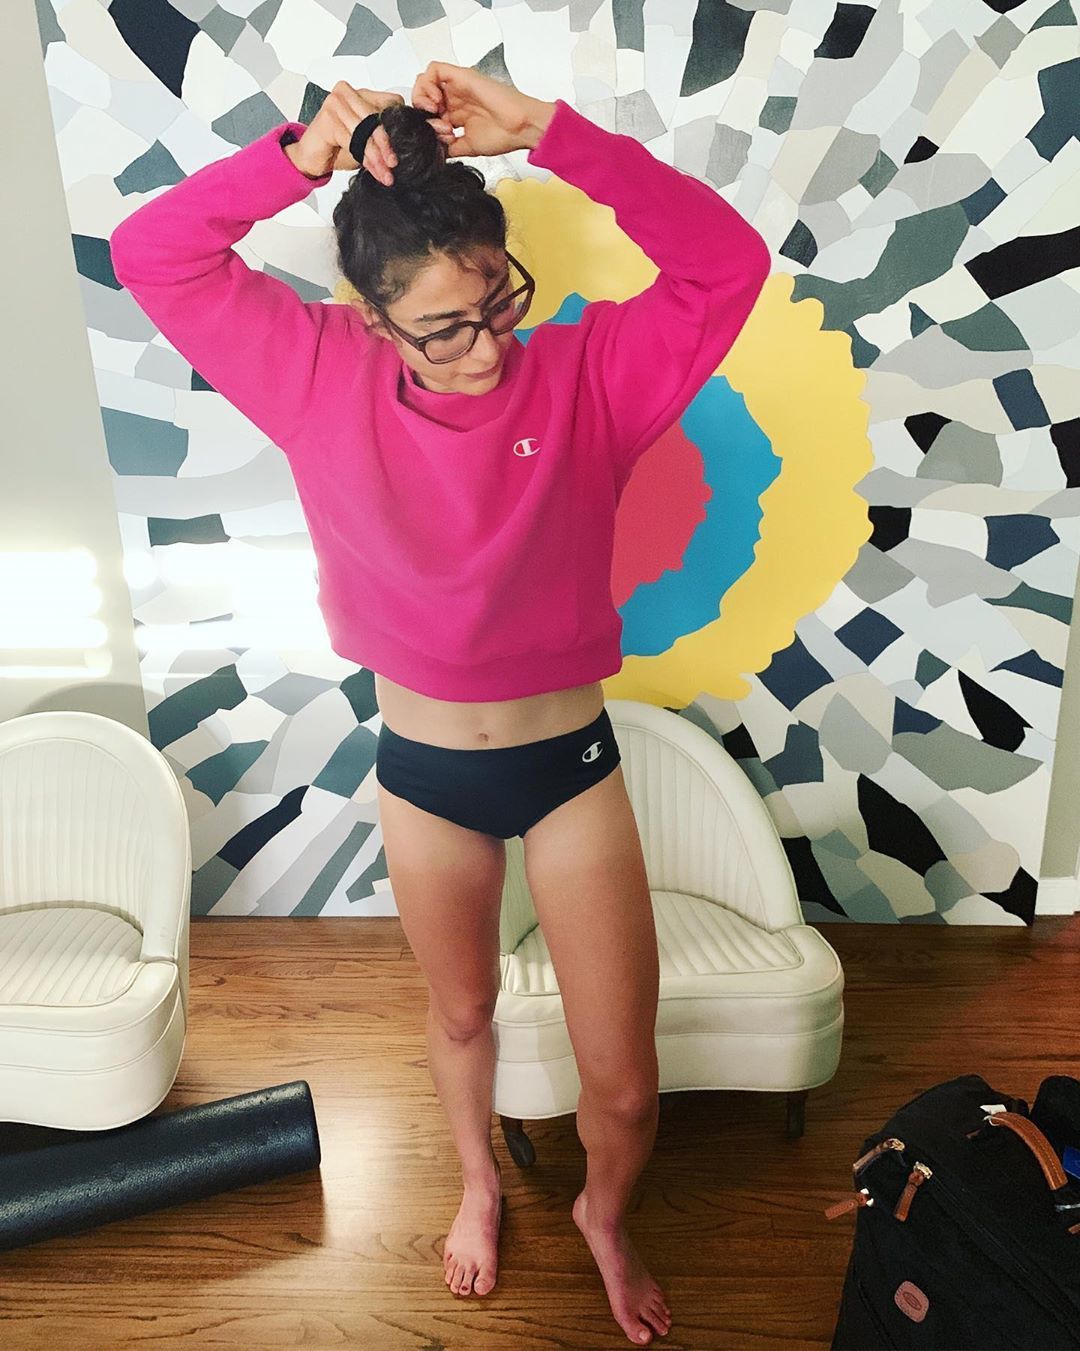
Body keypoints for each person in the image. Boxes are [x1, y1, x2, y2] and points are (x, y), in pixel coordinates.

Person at [110, 60, 770, 1346]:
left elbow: (724, 266)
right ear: (369, 317)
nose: (487, 346)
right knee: (462, 1012)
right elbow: (153, 253)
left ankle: (604, 1213)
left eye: (499, 301)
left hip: (568, 768)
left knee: (625, 1088)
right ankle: (478, 1183)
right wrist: (293, 157)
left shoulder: (587, 375)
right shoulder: (315, 372)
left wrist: (553, 133)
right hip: (426, 777)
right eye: (445, 327)